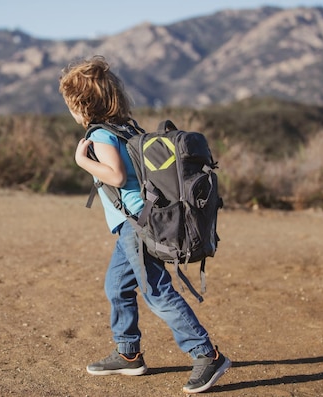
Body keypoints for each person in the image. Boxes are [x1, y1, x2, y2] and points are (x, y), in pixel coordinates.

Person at [58, 55, 231, 394]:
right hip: (137, 224)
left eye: (70, 106)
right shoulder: (126, 127)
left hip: (137, 225)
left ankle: (207, 354)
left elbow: (118, 176)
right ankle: (128, 353)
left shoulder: (101, 136)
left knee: (156, 293)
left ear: (82, 105)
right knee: (117, 287)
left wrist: (82, 161)